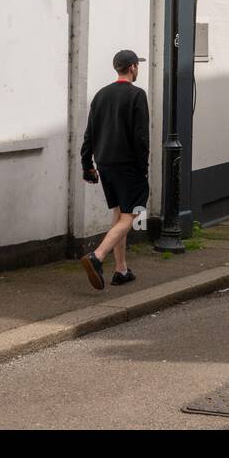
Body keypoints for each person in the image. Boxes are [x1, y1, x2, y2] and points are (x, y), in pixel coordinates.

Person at [79, 50, 150, 291]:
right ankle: (97, 257)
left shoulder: (100, 96)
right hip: (128, 165)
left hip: (105, 165)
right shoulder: (137, 95)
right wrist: (143, 168)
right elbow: (141, 137)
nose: (138, 69)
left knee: (120, 213)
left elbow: (89, 134)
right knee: (133, 215)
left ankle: (121, 270)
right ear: (132, 67)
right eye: (137, 66)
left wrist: (87, 165)